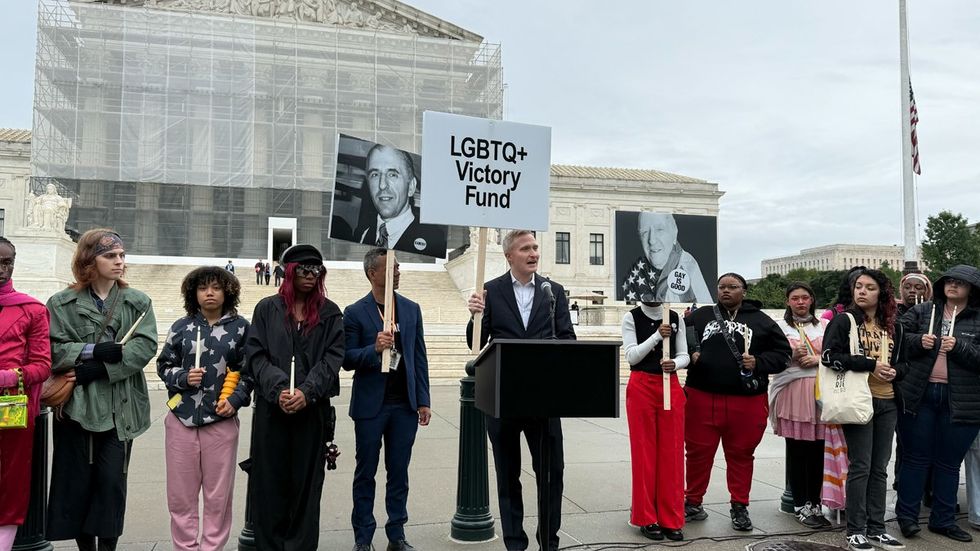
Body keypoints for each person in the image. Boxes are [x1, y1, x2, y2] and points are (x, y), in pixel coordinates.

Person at [45, 229, 158, 551]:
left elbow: (145, 345)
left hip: (122, 407)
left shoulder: (138, 302)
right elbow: (52, 348)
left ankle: (108, 547)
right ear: (88, 260)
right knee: (78, 483)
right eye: (110, 256)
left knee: (112, 484)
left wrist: (104, 369)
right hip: (77, 406)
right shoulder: (61, 303)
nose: (119, 262)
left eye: (122, 255)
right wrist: (92, 352)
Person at [466, 230, 575, 551]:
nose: (533, 253)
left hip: (544, 400)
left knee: (551, 474)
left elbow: (568, 339)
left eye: (535, 247)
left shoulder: (552, 291)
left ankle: (548, 543)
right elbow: (475, 342)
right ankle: (515, 543)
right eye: (525, 248)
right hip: (503, 399)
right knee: (507, 475)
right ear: (509, 255)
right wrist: (475, 315)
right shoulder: (490, 291)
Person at [244, 244, 344, 550]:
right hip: (272, 411)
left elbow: (333, 357)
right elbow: (256, 355)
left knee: (306, 487)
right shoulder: (266, 309)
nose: (311, 276)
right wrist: (279, 390)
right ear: (289, 272)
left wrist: (306, 391)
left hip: (311, 411)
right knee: (269, 484)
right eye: (303, 269)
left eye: (316, 270)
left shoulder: (330, 313)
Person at [683, 273, 790, 532]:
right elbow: (679, 342)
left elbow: (784, 355)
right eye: (721, 287)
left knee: (741, 455)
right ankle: (692, 502)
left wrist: (759, 362)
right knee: (697, 453)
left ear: (744, 290)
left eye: (732, 287)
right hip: (701, 396)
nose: (726, 291)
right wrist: (691, 352)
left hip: (746, 401)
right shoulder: (698, 317)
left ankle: (739, 505)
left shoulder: (762, 321)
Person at [157, 267, 253, 551]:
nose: (209, 293)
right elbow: (164, 366)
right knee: (180, 496)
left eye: (215, 287)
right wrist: (183, 378)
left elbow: (249, 373)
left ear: (227, 292)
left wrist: (234, 401)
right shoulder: (181, 327)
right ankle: (185, 548)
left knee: (218, 497)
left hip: (220, 422)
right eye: (202, 288)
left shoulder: (242, 329)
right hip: (181, 420)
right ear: (193, 294)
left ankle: (211, 548)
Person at [343, 249, 432, 551]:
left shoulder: (411, 309)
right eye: (391, 267)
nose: (398, 271)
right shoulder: (355, 312)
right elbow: (346, 358)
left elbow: (419, 357)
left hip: (404, 407)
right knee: (365, 473)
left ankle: (397, 535)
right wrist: (374, 348)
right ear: (372, 273)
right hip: (370, 408)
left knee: (399, 473)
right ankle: (363, 538)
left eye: (398, 266)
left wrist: (423, 400)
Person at [821, 268, 908, 551]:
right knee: (861, 465)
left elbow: (905, 363)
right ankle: (855, 529)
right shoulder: (844, 320)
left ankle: (877, 527)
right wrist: (870, 365)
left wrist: (895, 371)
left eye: (869, 287)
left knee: (880, 467)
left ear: (881, 292)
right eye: (858, 286)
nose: (862, 291)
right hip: (858, 400)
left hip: (888, 400)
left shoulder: (895, 325)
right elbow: (829, 357)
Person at [895, 265, 980, 543]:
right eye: (950, 281)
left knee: (949, 463)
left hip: (962, 401)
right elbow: (896, 341)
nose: (954, 286)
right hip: (920, 394)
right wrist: (920, 341)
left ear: (971, 289)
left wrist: (960, 347)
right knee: (915, 458)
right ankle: (907, 518)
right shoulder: (921, 311)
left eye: (961, 283)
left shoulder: (978, 318)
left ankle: (943, 520)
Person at [0, 237, 52, 550]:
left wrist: (8, 376)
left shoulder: (32, 309)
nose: (2, 270)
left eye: (7, 263)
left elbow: (43, 366)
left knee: (10, 485)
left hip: (11, 408)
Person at [622, 301, 689, 541]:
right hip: (641, 384)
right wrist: (656, 336)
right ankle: (646, 517)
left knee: (671, 454)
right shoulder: (631, 317)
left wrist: (676, 364)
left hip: (669, 384)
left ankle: (672, 518)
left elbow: (684, 355)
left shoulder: (675, 317)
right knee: (644, 454)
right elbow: (631, 355)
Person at [769, 282, 831, 528]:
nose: (801, 302)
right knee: (797, 451)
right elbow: (770, 359)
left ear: (812, 300)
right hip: (792, 392)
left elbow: (835, 354)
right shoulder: (779, 328)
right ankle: (800, 504)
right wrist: (790, 357)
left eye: (805, 297)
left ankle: (815, 502)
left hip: (819, 393)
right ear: (788, 301)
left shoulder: (824, 326)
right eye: (795, 298)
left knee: (818, 451)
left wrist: (817, 359)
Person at [355, 144, 446, 257]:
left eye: (392, 174)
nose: (382, 185)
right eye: (375, 174)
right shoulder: (363, 235)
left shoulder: (435, 241)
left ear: (411, 187)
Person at [620, 212, 712, 305]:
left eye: (659, 230)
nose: (652, 240)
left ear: (674, 232)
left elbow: (703, 310)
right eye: (644, 232)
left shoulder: (687, 268)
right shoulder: (636, 271)